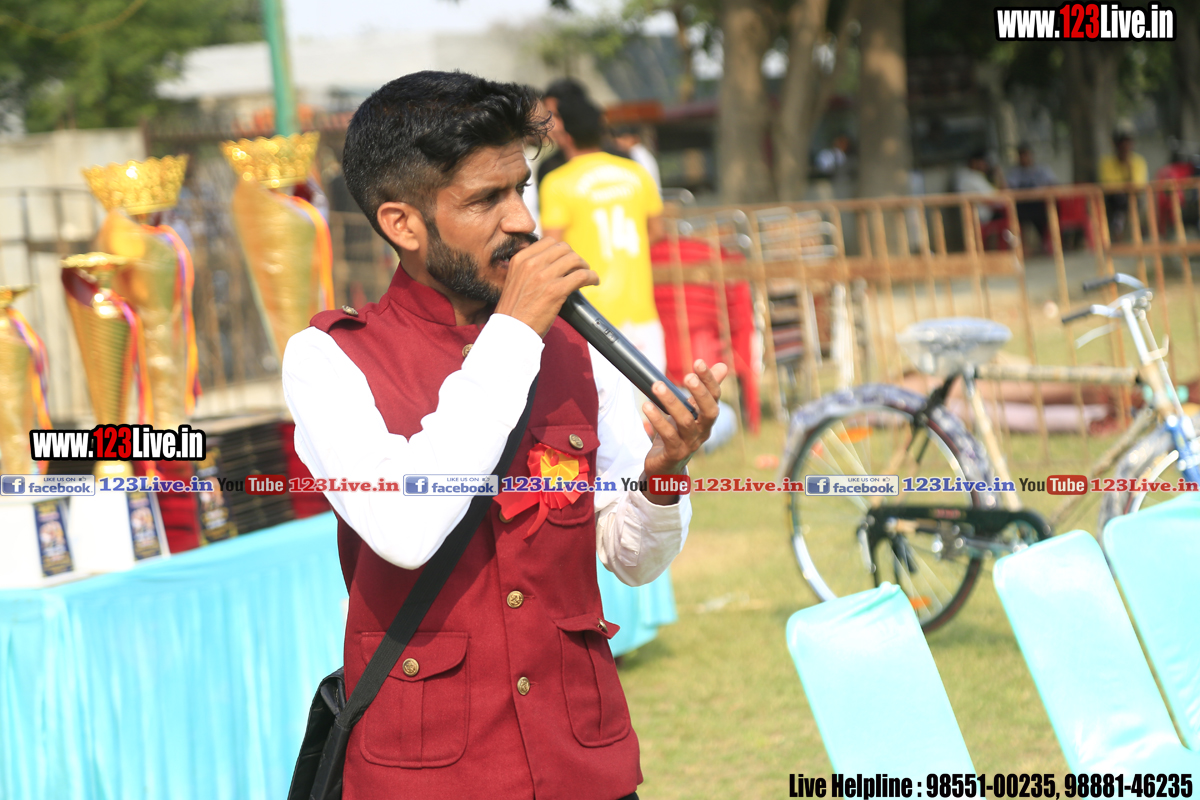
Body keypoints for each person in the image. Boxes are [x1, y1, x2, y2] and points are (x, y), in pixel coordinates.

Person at [281, 70, 724, 800]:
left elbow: (633, 561)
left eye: (521, 189)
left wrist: (663, 477)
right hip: (427, 779)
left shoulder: (577, 349)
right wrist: (514, 333)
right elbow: (405, 527)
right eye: (485, 199)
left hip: (583, 764)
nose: (521, 221)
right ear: (402, 224)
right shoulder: (329, 359)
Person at [539, 92, 667, 371]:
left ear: (566, 135)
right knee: (653, 396)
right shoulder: (636, 173)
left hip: (591, 317)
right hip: (641, 310)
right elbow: (657, 230)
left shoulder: (557, 182)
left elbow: (551, 248)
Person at [1099, 128, 1149, 239]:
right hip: (1114, 201)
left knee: (1131, 202)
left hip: (1134, 199)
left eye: (1128, 143)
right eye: (1122, 143)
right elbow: (1109, 185)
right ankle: (1118, 229)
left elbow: (1138, 185)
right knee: (1119, 200)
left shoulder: (1138, 162)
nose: (1125, 147)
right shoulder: (1107, 162)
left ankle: (1124, 228)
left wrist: (1128, 167)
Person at [1005, 143, 1057, 244]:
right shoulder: (1015, 172)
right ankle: (1021, 245)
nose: (1024, 158)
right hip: (1023, 205)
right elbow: (1009, 188)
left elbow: (1052, 184)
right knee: (1016, 215)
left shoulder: (1042, 169)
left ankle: (1048, 243)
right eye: (1022, 156)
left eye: (1026, 155)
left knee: (1047, 215)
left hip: (1040, 203)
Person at [954, 149, 1003, 224]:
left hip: (978, 218)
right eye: (983, 162)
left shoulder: (965, 174)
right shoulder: (970, 176)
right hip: (982, 220)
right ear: (974, 162)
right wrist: (999, 175)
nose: (986, 165)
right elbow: (997, 200)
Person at [611, 124, 662, 193]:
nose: (619, 141)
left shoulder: (637, 153)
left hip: (647, 194)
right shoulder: (640, 152)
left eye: (625, 138)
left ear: (635, 138)